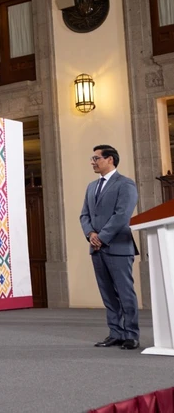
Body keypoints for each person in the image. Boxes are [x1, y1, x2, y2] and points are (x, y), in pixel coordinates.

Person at [80, 144, 140, 350]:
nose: (92, 162)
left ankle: (131, 334)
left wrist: (102, 237)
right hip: (96, 248)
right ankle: (115, 332)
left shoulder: (125, 184)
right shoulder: (91, 186)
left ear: (110, 159)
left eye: (96, 158)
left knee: (125, 293)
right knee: (107, 293)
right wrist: (91, 235)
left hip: (118, 247)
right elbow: (85, 215)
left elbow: (122, 215)